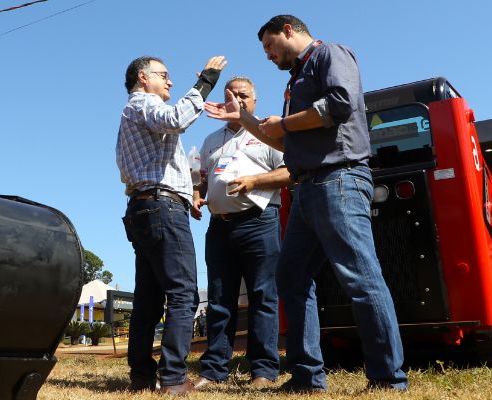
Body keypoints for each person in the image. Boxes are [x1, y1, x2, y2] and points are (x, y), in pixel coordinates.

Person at [204, 15, 408, 392]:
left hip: (340, 179)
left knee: (360, 277)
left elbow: (340, 104)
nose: (267, 55)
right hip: (306, 188)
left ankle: (387, 378)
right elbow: (286, 144)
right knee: (291, 278)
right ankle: (306, 377)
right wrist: (244, 118)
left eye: (269, 46)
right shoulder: (294, 79)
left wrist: (282, 124)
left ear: (288, 31)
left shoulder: (330, 54)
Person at [117, 54, 227, 396]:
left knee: (149, 299)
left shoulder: (134, 113)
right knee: (182, 295)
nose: (170, 82)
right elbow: (177, 118)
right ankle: (174, 379)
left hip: (146, 208)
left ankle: (142, 378)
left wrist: (189, 189)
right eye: (163, 75)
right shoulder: (142, 103)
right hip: (161, 207)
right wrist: (205, 82)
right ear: (141, 77)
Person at [190, 76, 289, 389]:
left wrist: (255, 181)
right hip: (220, 226)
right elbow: (203, 177)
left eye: (243, 95)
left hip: (259, 222)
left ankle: (263, 370)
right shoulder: (210, 140)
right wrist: (197, 195)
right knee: (219, 299)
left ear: (255, 99)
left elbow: (291, 171)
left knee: (262, 296)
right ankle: (214, 369)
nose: (237, 100)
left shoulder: (267, 130)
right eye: (230, 94)